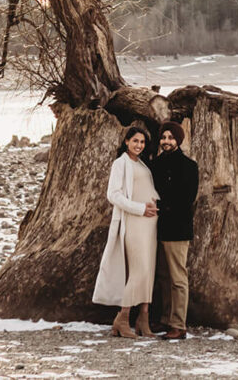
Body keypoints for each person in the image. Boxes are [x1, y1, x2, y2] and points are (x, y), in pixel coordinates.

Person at [91, 123, 159, 337]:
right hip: (134, 222)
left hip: (150, 225)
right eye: (135, 141)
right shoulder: (120, 164)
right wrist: (140, 208)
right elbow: (114, 195)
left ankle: (143, 320)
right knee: (138, 271)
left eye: (142, 142)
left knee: (149, 271)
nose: (139, 145)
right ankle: (122, 318)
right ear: (126, 142)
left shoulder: (141, 163)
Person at [148, 119, 200, 340]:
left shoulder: (189, 166)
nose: (166, 141)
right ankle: (164, 319)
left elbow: (187, 199)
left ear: (178, 140)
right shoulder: (155, 165)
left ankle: (178, 325)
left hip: (178, 229)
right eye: (163, 137)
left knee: (178, 277)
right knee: (161, 276)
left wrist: (161, 206)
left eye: (170, 137)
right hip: (155, 228)